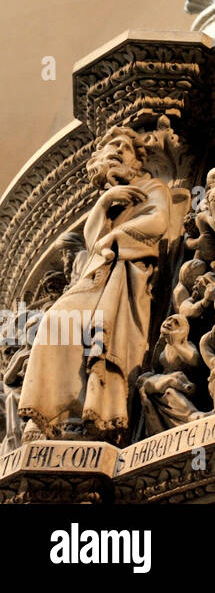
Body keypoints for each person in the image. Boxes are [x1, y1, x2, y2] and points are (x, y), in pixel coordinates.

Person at [19, 127, 180, 445]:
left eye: (126, 148)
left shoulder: (151, 186)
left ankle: (92, 414)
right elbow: (93, 245)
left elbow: (159, 220)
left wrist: (114, 237)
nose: (119, 150)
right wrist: (104, 203)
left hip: (124, 281)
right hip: (96, 278)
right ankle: (53, 416)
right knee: (55, 323)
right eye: (112, 147)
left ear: (137, 162)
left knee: (93, 335)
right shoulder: (106, 201)